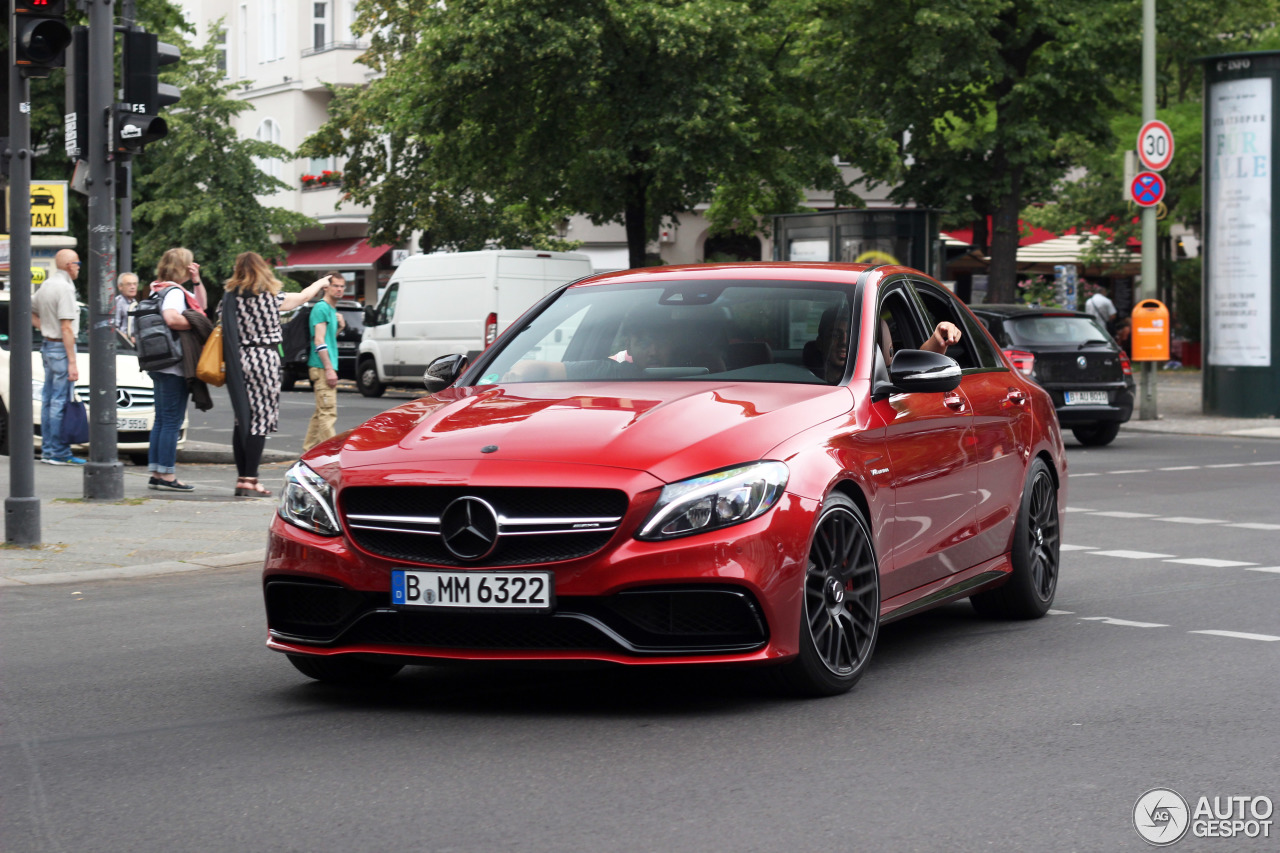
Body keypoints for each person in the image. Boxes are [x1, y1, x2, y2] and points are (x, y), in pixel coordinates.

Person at [222, 253, 333, 495]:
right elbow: (304, 296)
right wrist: (321, 282)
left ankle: (242, 478)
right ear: (262, 270)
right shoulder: (270, 299)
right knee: (260, 420)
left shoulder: (229, 300)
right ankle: (251, 479)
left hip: (239, 360)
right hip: (265, 359)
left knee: (242, 419)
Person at [145, 248, 208, 490]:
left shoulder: (156, 289)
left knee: (162, 419)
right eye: (190, 264)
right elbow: (172, 318)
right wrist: (195, 324)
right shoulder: (173, 292)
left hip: (158, 361)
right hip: (173, 363)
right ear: (182, 266)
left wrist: (196, 281)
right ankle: (168, 475)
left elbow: (200, 304)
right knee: (172, 420)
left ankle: (157, 472)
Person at [31, 249, 85, 465]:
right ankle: (58, 452)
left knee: (48, 399)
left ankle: (47, 450)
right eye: (78, 263)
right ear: (69, 265)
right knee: (59, 401)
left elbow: (30, 310)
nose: (79, 267)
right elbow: (66, 327)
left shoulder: (46, 285)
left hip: (47, 345)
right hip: (60, 348)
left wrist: (44, 328)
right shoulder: (64, 289)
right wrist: (72, 361)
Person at [302, 271, 348, 452]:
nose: (339, 289)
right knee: (328, 413)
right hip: (322, 367)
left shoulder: (331, 309)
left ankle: (308, 452)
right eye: (335, 285)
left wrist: (341, 327)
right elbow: (319, 341)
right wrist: (329, 369)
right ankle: (330, 456)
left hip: (324, 366)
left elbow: (327, 340)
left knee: (320, 414)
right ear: (325, 287)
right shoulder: (321, 308)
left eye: (342, 286)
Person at [112, 272, 139, 344]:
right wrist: (128, 339)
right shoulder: (118, 303)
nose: (133, 287)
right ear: (120, 287)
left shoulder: (134, 303)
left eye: (135, 284)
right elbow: (114, 328)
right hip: (122, 345)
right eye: (129, 284)